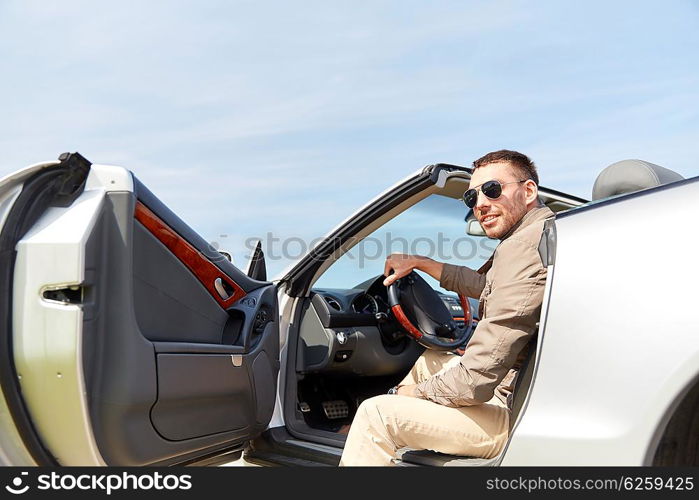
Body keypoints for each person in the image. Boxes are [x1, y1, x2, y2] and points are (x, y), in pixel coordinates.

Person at [339, 150, 555, 466]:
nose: (480, 203)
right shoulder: (538, 236)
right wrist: (422, 263)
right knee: (432, 360)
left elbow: (475, 379)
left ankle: (374, 440)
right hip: (519, 392)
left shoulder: (525, 248)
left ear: (529, 191)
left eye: (492, 189)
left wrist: (403, 397)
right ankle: (388, 447)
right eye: (472, 196)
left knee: (375, 414)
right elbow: (488, 287)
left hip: (512, 415)